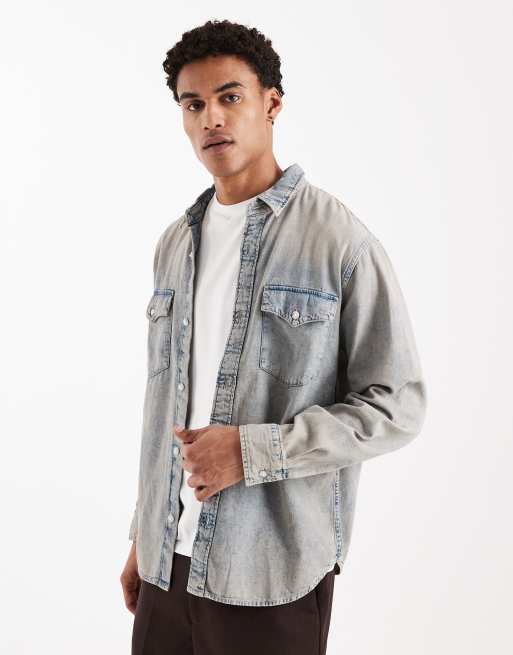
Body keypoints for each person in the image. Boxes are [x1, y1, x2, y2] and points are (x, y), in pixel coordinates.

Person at [120, 18, 427, 655]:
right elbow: (167, 406)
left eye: (230, 97)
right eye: (193, 104)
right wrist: (142, 536)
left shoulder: (338, 241)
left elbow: (396, 406)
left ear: (271, 104)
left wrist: (252, 452)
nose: (211, 118)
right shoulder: (174, 244)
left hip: (270, 574)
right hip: (166, 565)